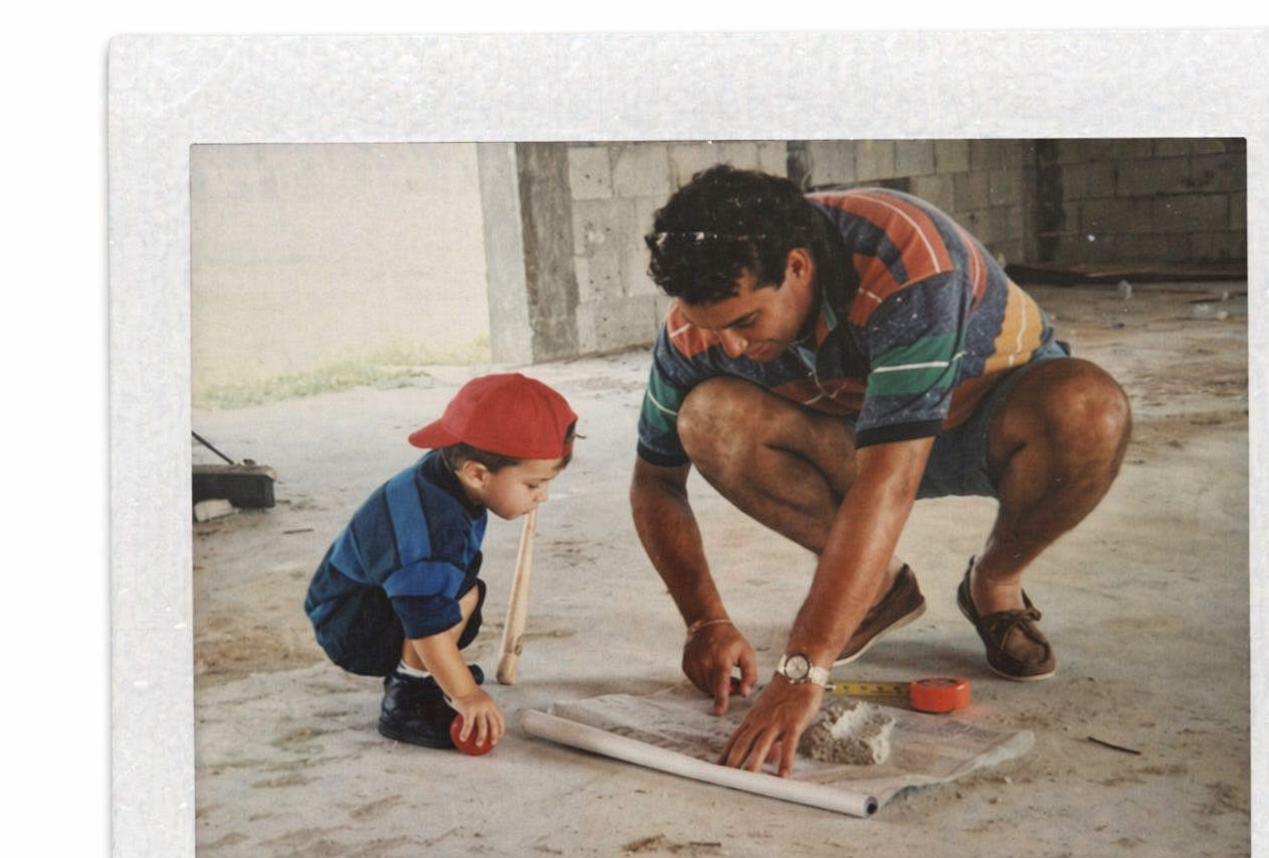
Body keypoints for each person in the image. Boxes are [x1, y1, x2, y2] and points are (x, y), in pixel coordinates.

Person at [631, 165, 1131, 777]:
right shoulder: (692, 327)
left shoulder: (906, 259)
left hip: (983, 417)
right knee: (706, 416)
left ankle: (995, 583)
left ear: (797, 267)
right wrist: (704, 619)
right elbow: (655, 481)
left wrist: (803, 667)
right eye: (713, 327)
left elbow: (887, 483)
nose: (729, 347)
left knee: (1090, 412)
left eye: (744, 323)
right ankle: (880, 586)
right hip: (854, 428)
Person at [305, 374, 577, 751]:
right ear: (477, 473)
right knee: (438, 608)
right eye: (533, 484)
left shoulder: (446, 474)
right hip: (351, 623)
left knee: (463, 592)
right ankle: (407, 697)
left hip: (376, 599)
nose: (543, 496)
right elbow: (426, 621)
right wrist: (465, 693)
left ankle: (424, 673)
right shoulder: (432, 529)